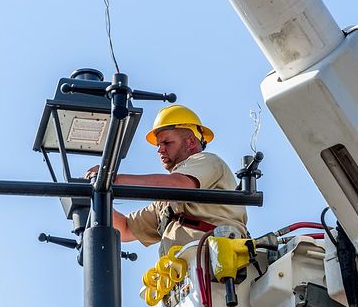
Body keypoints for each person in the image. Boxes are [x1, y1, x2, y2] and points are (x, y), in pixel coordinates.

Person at [84, 104, 248, 255]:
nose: (160, 150)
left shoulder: (207, 161)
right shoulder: (166, 203)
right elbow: (125, 229)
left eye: (167, 142)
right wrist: (94, 197)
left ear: (191, 142)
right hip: (185, 276)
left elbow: (180, 185)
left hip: (219, 264)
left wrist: (112, 179)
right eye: (158, 145)